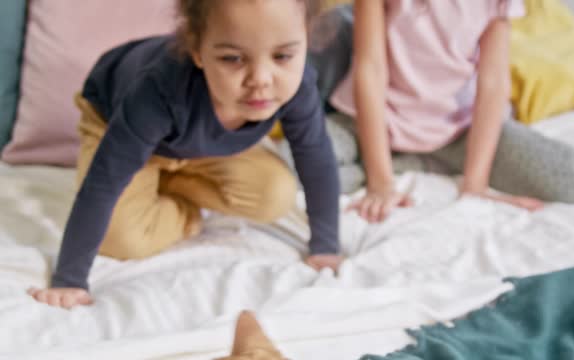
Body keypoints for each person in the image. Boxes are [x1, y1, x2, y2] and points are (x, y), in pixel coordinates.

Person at [28, 0, 342, 309]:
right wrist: (69, 279)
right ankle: (180, 209)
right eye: (233, 58)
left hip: (199, 145)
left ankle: (171, 184)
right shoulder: (156, 91)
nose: (261, 79)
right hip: (116, 120)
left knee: (276, 195)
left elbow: (315, 154)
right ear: (196, 49)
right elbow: (104, 182)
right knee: (122, 239)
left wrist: (325, 245)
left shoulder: (296, 87)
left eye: (283, 56)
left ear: (306, 38)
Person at [316, 0, 574, 223]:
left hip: (457, 132)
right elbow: (370, 70)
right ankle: (394, 163)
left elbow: (493, 83)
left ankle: (414, 164)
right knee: (300, 165)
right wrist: (380, 182)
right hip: (377, 121)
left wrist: (475, 184)